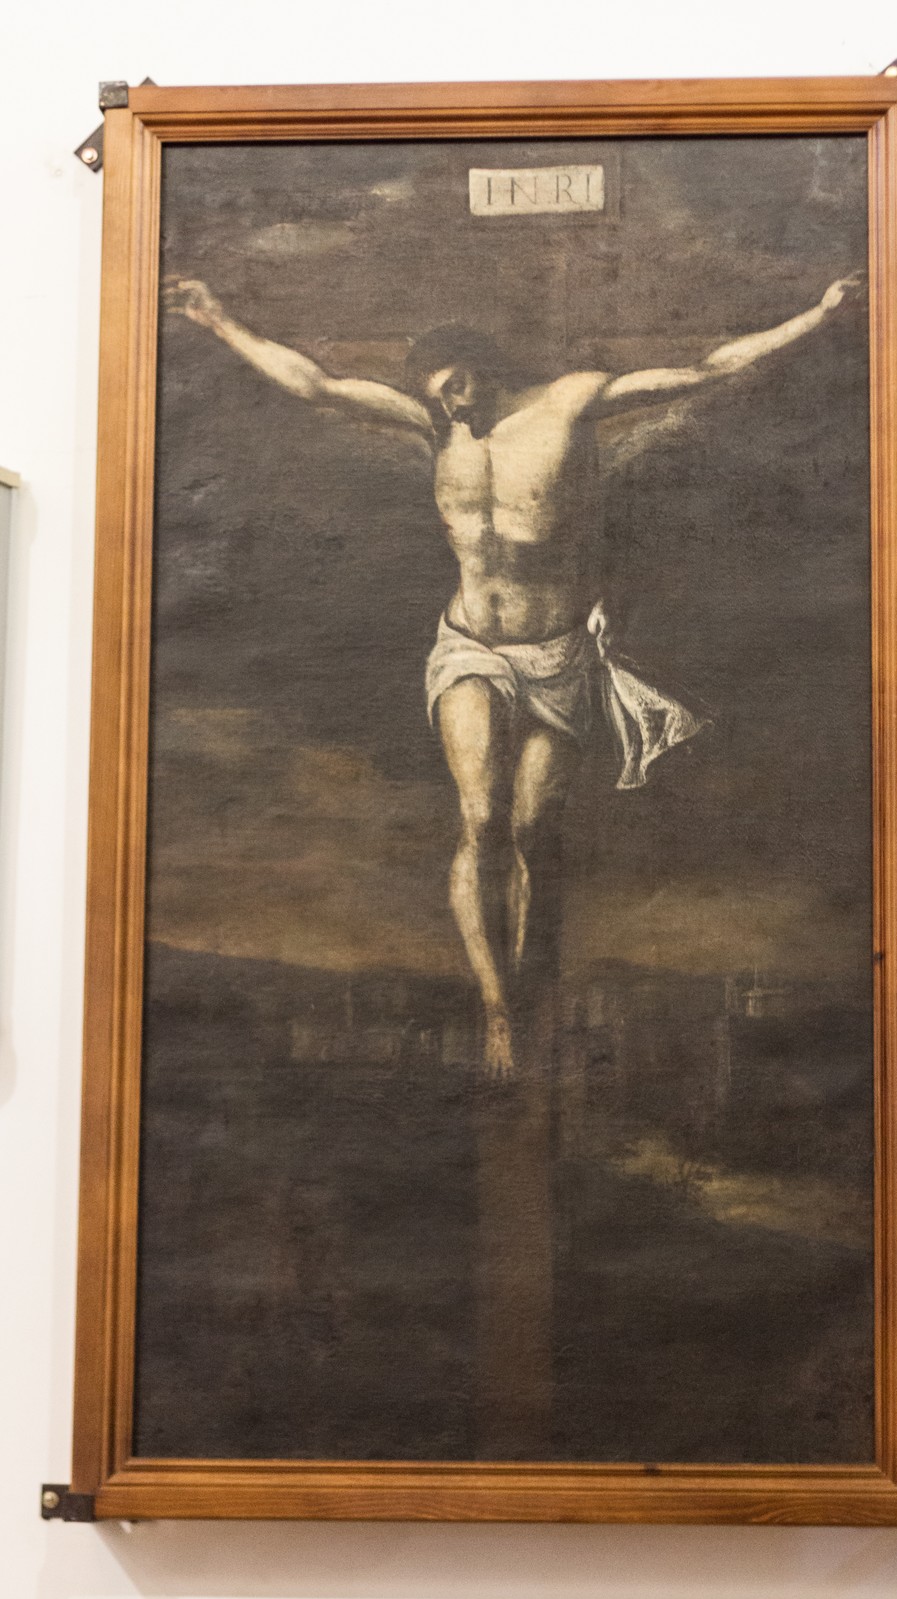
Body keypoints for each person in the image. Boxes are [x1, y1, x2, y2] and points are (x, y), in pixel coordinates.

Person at [166, 272, 860, 1075]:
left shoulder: (568, 403)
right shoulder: (435, 426)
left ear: (485, 367)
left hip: (556, 651)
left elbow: (704, 371)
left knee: (534, 829)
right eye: (438, 395)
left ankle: (528, 991)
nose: (452, 405)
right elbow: (315, 385)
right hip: (470, 646)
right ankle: (496, 1007)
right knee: (481, 816)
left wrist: (816, 315)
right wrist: (218, 321)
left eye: (458, 386)